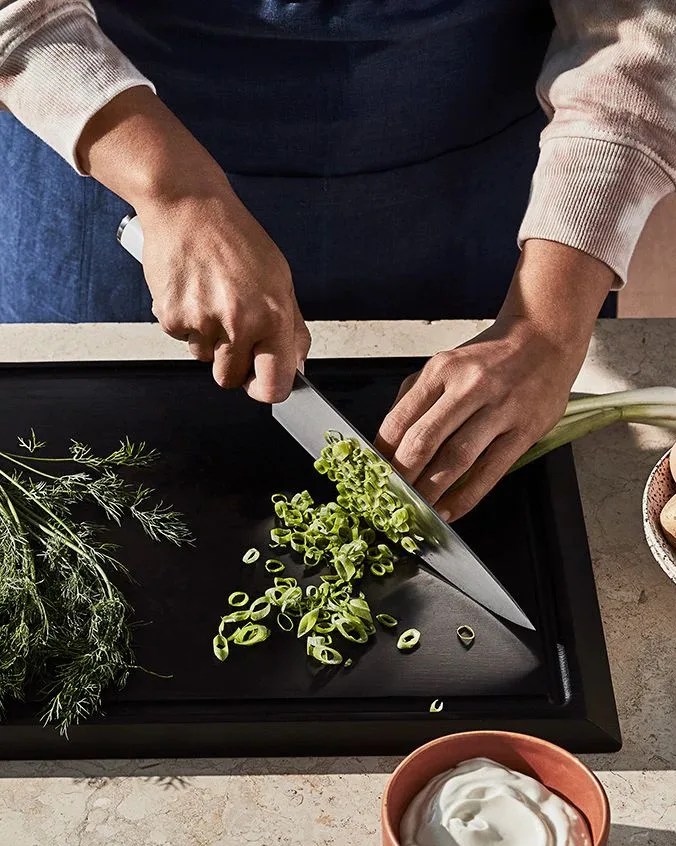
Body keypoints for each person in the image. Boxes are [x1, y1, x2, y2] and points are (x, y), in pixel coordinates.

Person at [1, 1, 674, 522]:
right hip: (113, 164)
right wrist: (172, 189)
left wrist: (545, 327)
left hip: (463, 198)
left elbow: (640, 35)